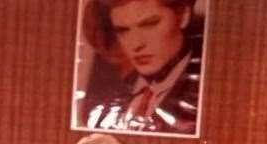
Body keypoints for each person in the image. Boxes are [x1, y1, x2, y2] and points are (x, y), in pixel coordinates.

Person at [83, 0, 200, 135]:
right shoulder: (110, 99)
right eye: (123, 31)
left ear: (183, 16)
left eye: (150, 24)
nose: (136, 44)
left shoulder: (204, 96)